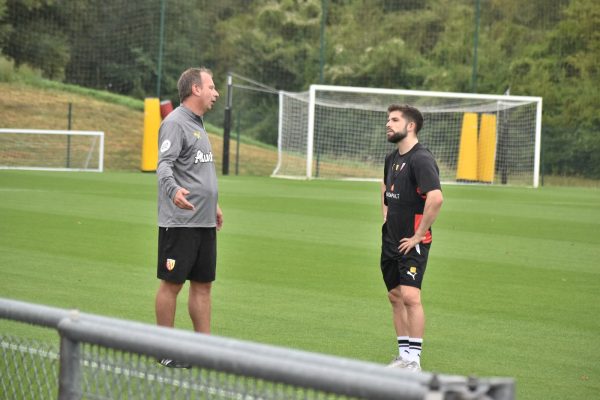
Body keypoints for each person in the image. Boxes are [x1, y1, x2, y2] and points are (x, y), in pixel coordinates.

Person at [155, 67, 222, 368]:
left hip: (204, 220)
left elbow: (198, 171)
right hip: (180, 222)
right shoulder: (175, 123)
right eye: (211, 87)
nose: (215, 93)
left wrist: (214, 204)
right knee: (172, 285)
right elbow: (164, 166)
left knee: (203, 285)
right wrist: (173, 192)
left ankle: (204, 351)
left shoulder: (199, 123)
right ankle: (165, 349)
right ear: (196, 89)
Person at [380, 104, 443, 372]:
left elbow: (436, 198)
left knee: (410, 296)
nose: (388, 123)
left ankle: (414, 361)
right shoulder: (391, 158)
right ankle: (403, 356)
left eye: (394, 120)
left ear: (410, 126)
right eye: (388, 119)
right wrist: (386, 218)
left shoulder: (421, 159)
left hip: (412, 241)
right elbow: (385, 189)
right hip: (391, 239)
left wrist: (418, 235)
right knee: (395, 296)